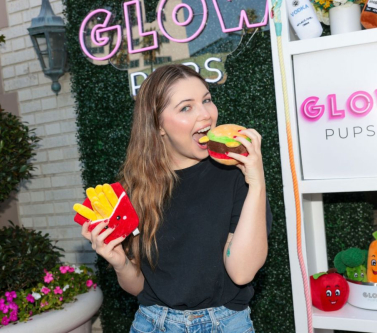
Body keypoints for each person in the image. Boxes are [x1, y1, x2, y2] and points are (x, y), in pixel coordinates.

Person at [81, 64, 272, 333]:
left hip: (225, 324)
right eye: (186, 107)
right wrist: (119, 262)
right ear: (158, 125)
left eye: (206, 100)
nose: (206, 114)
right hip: (152, 323)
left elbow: (242, 272)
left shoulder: (235, 176)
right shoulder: (136, 189)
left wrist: (257, 181)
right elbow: (138, 287)